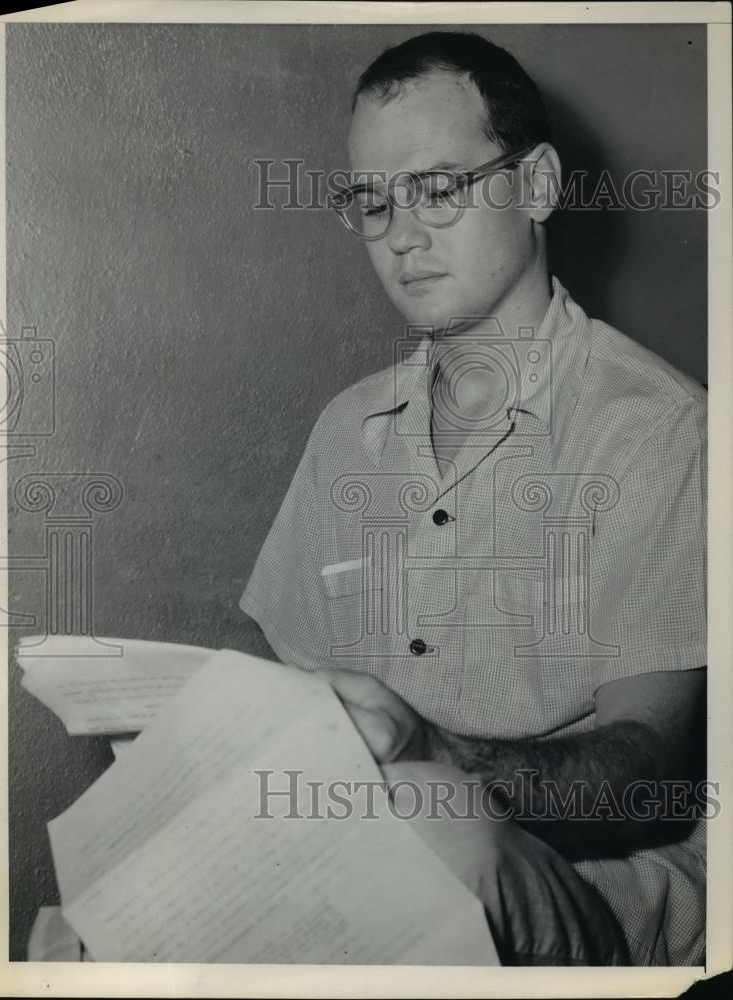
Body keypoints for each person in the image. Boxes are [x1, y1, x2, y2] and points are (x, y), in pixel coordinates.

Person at [239, 31, 707, 966]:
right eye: (372, 202)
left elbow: (639, 772)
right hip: (359, 860)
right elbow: (283, 684)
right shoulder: (349, 428)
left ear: (536, 186)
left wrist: (439, 764)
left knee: (436, 842)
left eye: (440, 189)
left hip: (592, 884)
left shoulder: (662, 429)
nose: (401, 235)